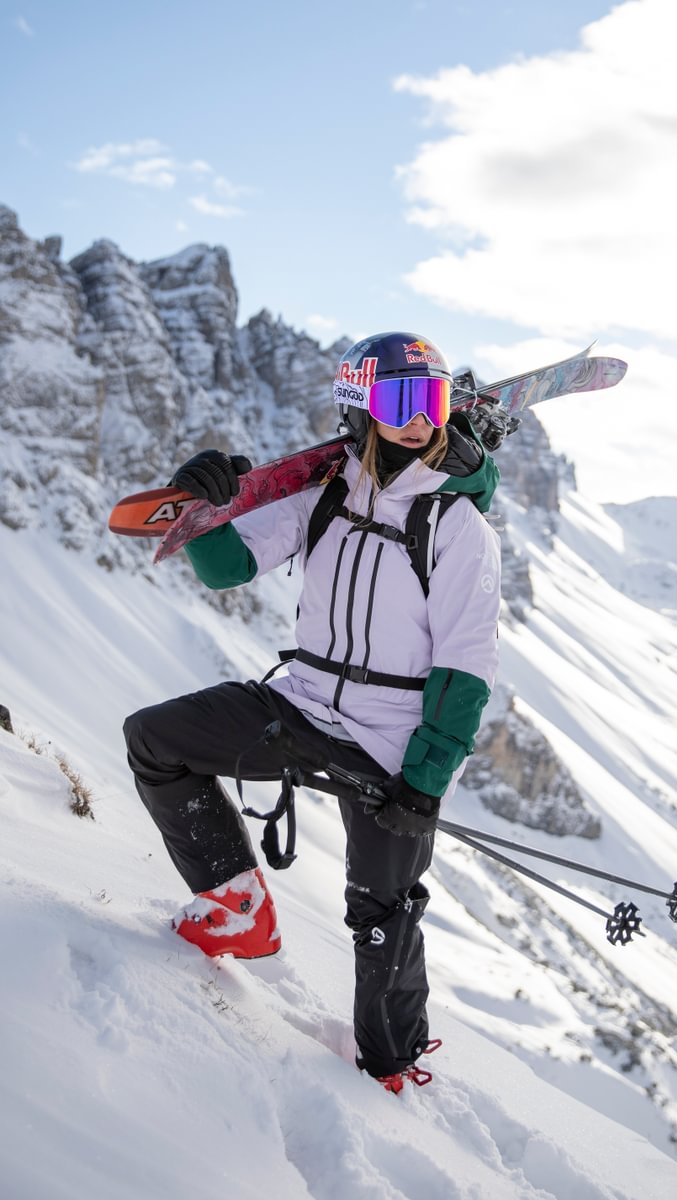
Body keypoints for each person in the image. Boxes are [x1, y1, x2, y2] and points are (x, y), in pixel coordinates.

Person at [123, 331, 501, 1092]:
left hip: (391, 739)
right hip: (301, 705)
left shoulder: (458, 526)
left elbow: (466, 666)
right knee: (155, 740)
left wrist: (424, 783)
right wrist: (204, 508)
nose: (419, 419)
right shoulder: (322, 493)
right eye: (401, 399)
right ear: (360, 404)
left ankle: (392, 1066)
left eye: (433, 400)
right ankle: (236, 907)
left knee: (382, 909)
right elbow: (229, 568)